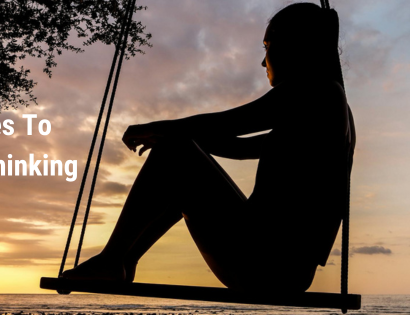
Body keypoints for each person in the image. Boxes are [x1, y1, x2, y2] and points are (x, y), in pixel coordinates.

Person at [62, 2, 355, 293]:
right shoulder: (329, 108)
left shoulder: (316, 92)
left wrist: (162, 130)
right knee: (179, 154)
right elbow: (238, 147)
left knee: (175, 151)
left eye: (267, 45)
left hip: (265, 263)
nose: (263, 62)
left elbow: (232, 122)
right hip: (282, 269)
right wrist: (177, 137)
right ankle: (124, 261)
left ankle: (113, 259)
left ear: (293, 43)